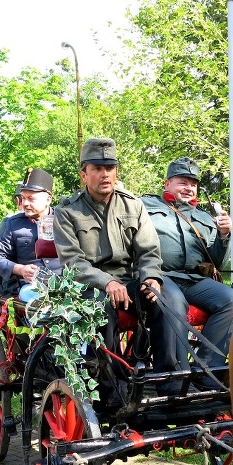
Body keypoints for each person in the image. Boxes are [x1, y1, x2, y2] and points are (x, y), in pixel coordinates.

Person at [52, 137, 171, 394]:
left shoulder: (133, 205)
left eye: (109, 168)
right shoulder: (66, 211)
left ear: (116, 171)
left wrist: (151, 278)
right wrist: (108, 283)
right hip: (88, 286)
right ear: (84, 174)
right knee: (103, 309)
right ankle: (112, 386)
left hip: (129, 281)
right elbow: (73, 262)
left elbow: (149, 250)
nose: (104, 174)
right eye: (96, 168)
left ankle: (166, 378)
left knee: (164, 299)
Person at [141, 157, 233, 391]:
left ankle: (206, 371)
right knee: (174, 302)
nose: (189, 188)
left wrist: (224, 235)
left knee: (232, 300)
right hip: (160, 275)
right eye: (182, 182)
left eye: (193, 184)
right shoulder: (144, 206)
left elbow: (216, 260)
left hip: (193, 279)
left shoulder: (204, 217)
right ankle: (172, 378)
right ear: (167, 183)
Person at [0, 168, 61, 294]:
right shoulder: (12, 224)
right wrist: (20, 269)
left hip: (65, 283)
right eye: (23, 198)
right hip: (29, 288)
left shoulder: (64, 220)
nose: (25, 203)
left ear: (48, 199)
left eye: (31, 198)